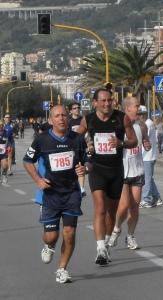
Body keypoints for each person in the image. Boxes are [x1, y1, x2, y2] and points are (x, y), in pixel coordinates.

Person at [23, 105, 87, 284]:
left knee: (69, 233)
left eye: (64, 115)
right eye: (57, 116)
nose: (61, 118)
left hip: (71, 193)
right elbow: (27, 161)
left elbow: (89, 162)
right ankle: (49, 245)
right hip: (50, 195)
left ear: (68, 118)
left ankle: (62, 269)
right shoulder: (42, 140)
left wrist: (85, 168)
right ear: (50, 120)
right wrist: (38, 180)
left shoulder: (77, 139)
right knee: (52, 236)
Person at [77, 87, 137, 265]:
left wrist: (122, 143)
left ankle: (107, 243)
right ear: (95, 102)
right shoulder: (88, 120)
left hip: (116, 170)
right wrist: (85, 144)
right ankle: (100, 248)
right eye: (102, 100)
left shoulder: (121, 118)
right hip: (97, 169)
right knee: (100, 208)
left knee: (111, 213)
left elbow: (134, 141)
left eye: (109, 100)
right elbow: (75, 138)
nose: (106, 103)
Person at [108, 96, 150, 250]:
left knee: (135, 206)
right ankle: (116, 229)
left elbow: (145, 141)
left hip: (138, 171)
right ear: (127, 109)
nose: (139, 109)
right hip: (123, 172)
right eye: (136, 106)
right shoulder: (118, 127)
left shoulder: (142, 126)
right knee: (124, 206)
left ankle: (130, 236)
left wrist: (147, 144)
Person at [138, 106, 163, 208]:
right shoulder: (147, 123)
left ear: (143, 114)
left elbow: (141, 138)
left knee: (146, 179)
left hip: (148, 156)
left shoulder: (147, 124)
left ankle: (147, 199)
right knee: (149, 178)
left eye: (139, 114)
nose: (138, 116)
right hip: (147, 155)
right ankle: (157, 197)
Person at [69, 102, 86, 197]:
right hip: (72, 147)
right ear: (71, 111)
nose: (77, 109)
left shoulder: (83, 120)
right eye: (74, 108)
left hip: (82, 145)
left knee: (81, 165)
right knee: (73, 167)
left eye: (78, 108)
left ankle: (82, 188)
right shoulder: (69, 122)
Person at [0, 119, 12, 184]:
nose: (1, 126)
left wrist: (9, 146)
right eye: (0, 125)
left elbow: (8, 141)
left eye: (2, 125)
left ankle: (4, 175)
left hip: (3, 151)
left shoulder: (5, 132)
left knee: (5, 165)